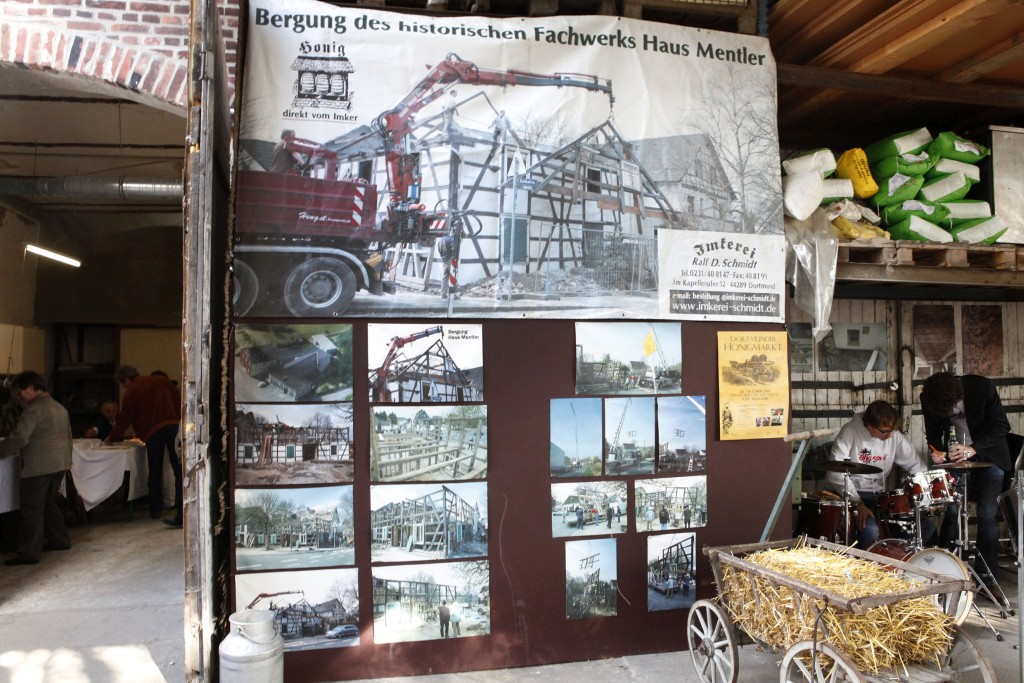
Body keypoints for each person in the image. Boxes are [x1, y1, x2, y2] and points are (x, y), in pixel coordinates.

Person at [921, 372, 1011, 602]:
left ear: (958, 394)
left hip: (989, 458)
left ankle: (987, 579)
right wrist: (936, 451)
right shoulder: (929, 397)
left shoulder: (982, 387)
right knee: (952, 512)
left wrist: (973, 449)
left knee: (987, 515)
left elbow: (1002, 426)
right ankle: (945, 575)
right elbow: (933, 434)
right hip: (955, 461)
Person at [827, 399, 927, 549]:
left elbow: (916, 465)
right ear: (870, 425)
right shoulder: (850, 431)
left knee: (923, 524)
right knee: (870, 530)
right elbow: (835, 472)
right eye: (884, 432)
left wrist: (925, 494)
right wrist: (858, 503)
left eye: (892, 430)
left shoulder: (894, 435)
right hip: (853, 494)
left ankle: (896, 556)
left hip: (880, 496)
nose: (890, 436)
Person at [0, 371, 73, 565]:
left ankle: (29, 553)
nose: (19, 396)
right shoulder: (58, 407)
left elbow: (19, 438)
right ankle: (60, 540)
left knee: (31, 509)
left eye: (21, 392)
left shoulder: (34, 411)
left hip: (39, 466)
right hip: (59, 464)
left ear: (32, 388)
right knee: (49, 504)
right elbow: (69, 436)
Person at [106, 365, 182, 526]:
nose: (124, 387)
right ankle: (182, 510)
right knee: (178, 469)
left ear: (127, 380)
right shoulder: (162, 381)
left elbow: (125, 418)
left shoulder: (132, 391)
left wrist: (112, 437)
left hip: (153, 432)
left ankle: (155, 510)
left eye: (123, 384)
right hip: (174, 426)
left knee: (154, 470)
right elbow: (179, 400)